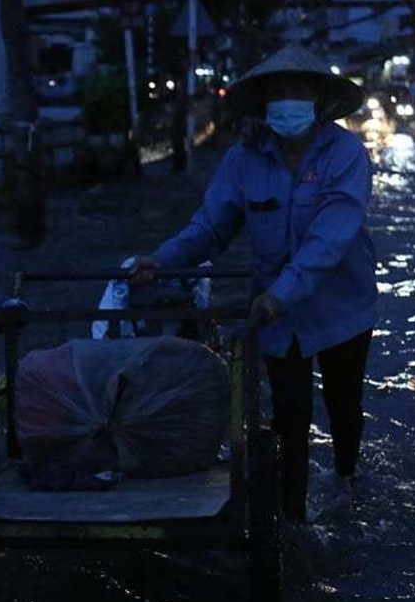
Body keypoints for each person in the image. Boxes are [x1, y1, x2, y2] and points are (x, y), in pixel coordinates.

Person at [128, 44, 378, 522]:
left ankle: (348, 479)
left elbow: (331, 237)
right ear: (263, 103)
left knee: (344, 405)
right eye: (278, 91)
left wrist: (279, 296)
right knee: (288, 418)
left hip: (340, 305)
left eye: (298, 90)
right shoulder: (243, 160)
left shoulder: (346, 154)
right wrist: (161, 262)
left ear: (320, 99)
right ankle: (291, 521)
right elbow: (211, 227)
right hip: (274, 312)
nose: (288, 100)